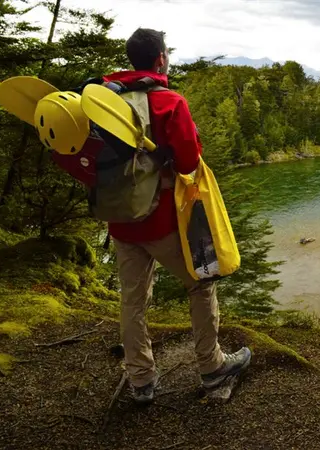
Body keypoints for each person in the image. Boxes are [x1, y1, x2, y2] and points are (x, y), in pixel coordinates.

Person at [106, 28, 251, 405]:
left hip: (121, 220)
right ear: (160, 59)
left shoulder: (107, 103)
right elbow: (187, 161)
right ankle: (212, 366)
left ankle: (140, 380)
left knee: (132, 300)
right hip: (164, 222)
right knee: (201, 285)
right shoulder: (170, 102)